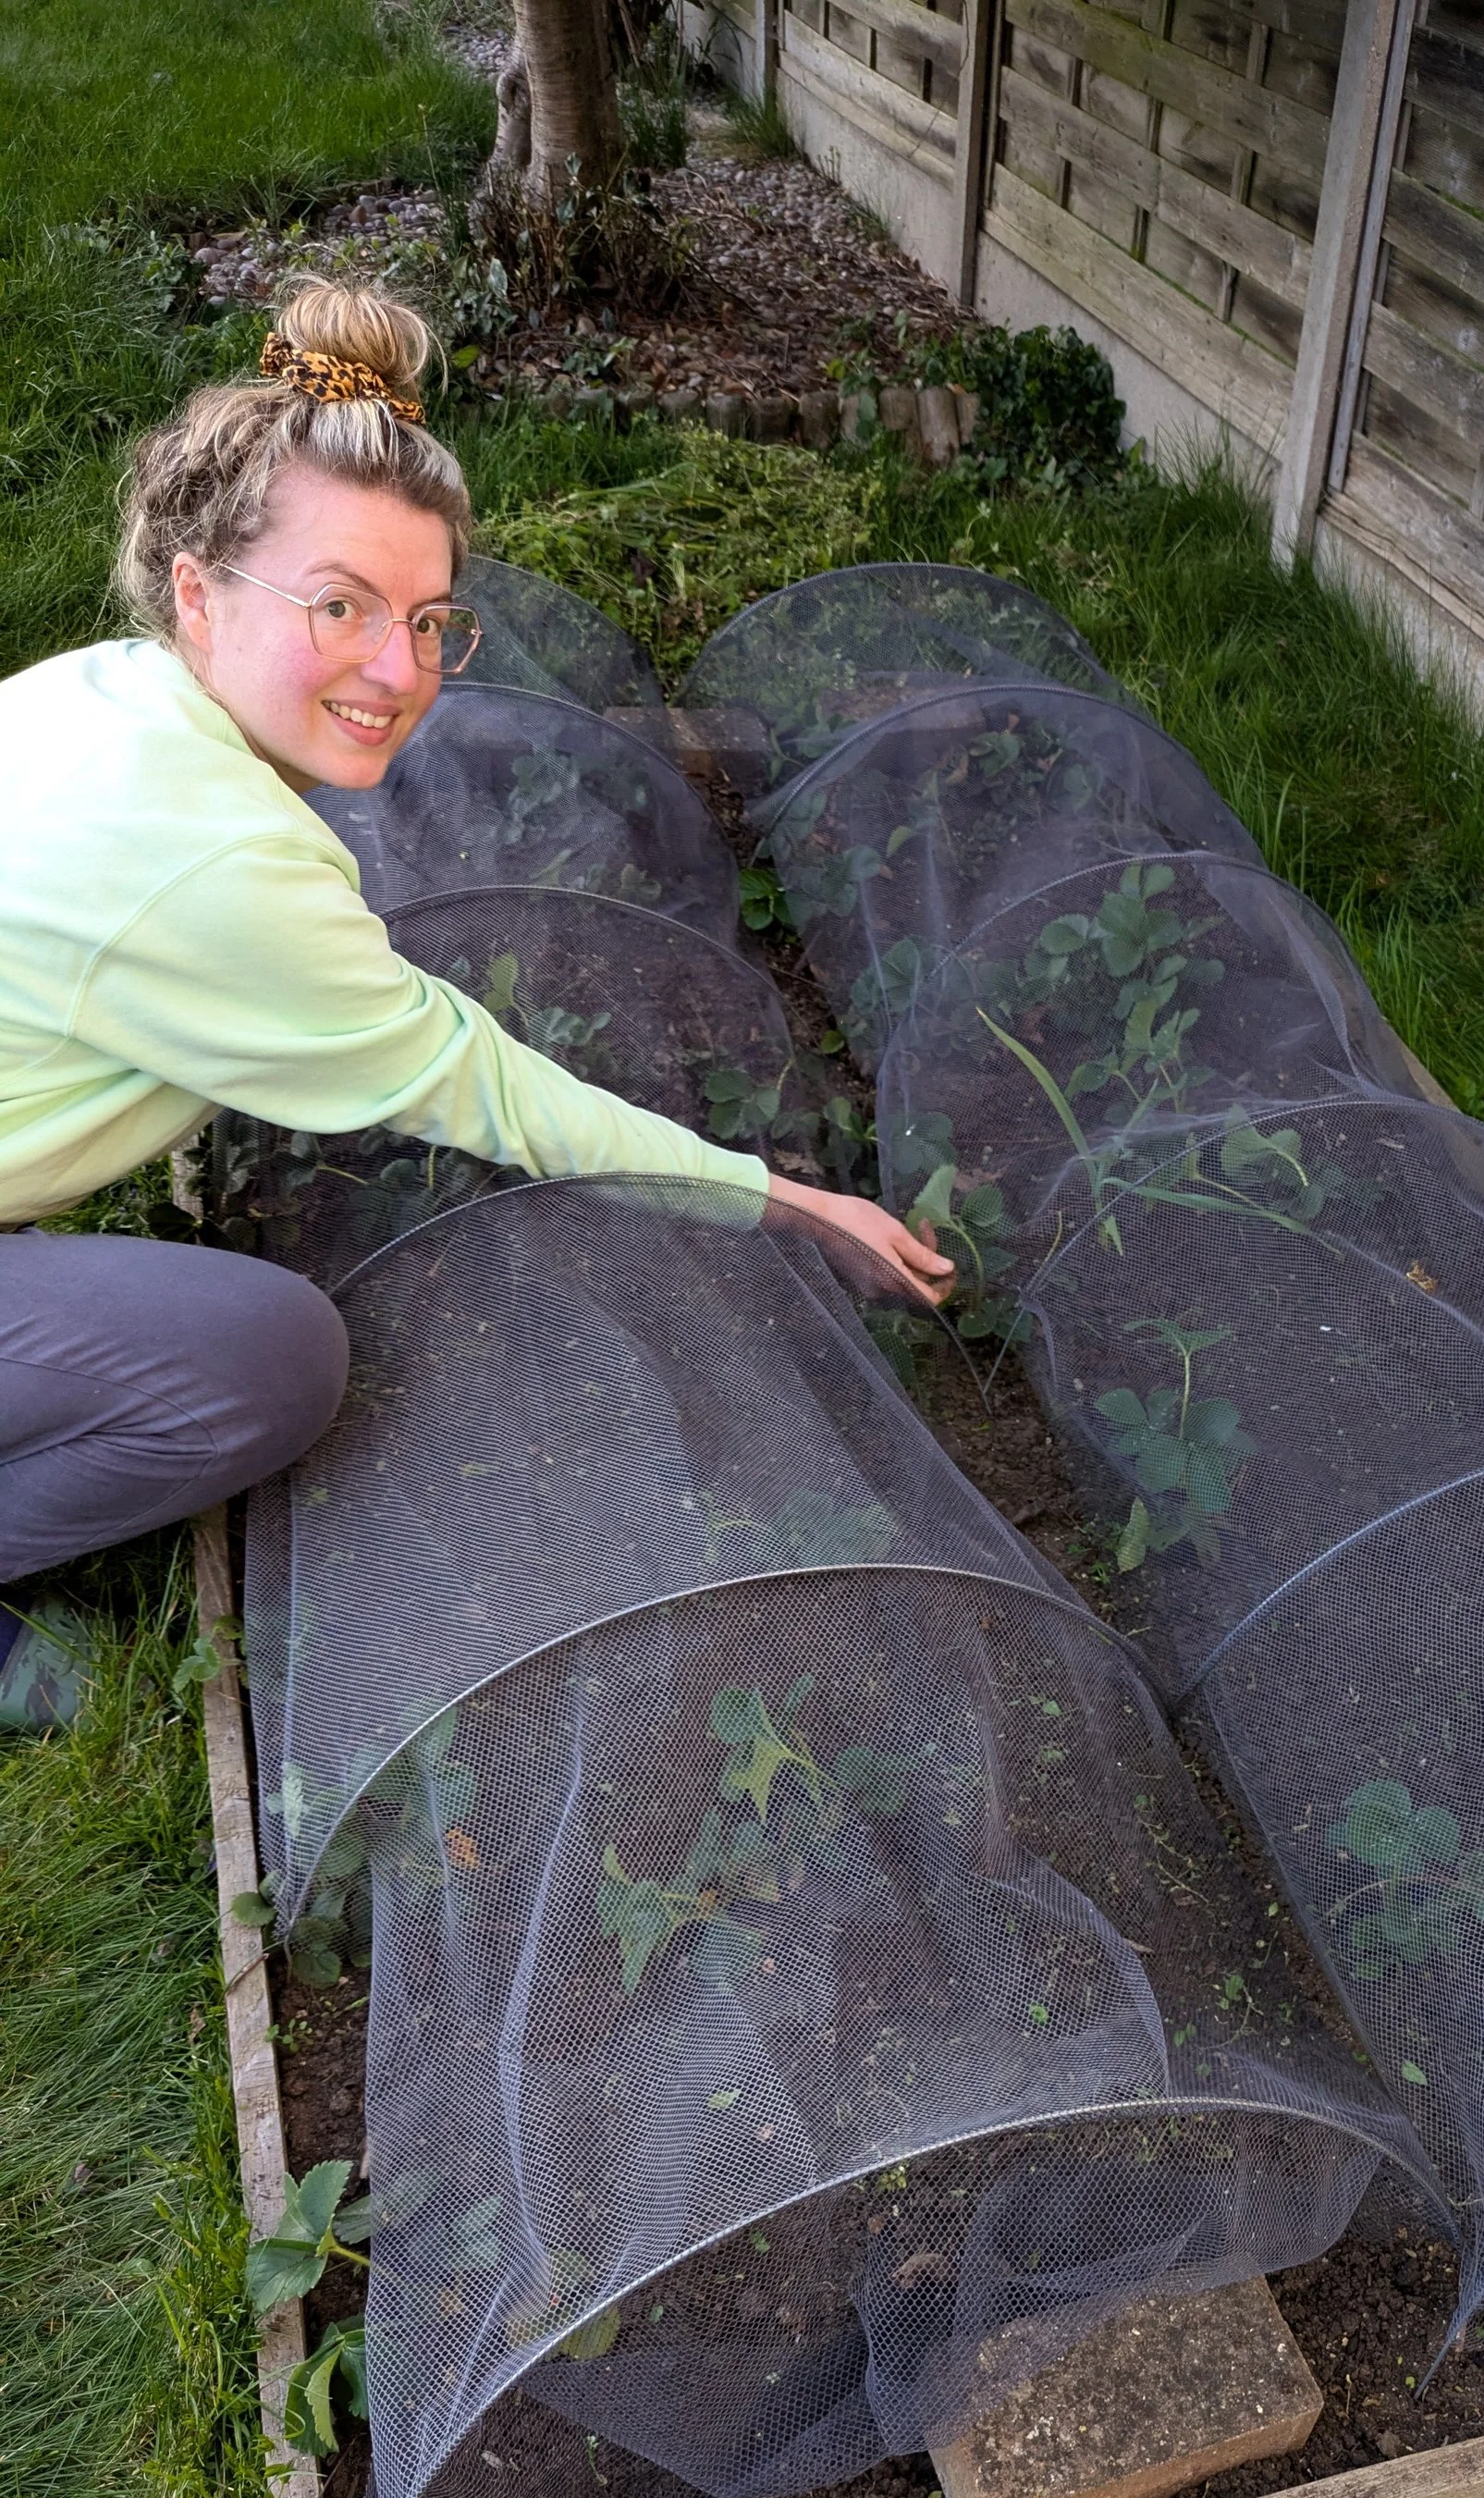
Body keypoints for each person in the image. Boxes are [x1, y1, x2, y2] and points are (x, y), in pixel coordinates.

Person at [0, 278, 950, 1729]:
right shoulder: (213, 860)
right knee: (269, 1359)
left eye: (432, 620)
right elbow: (478, 1085)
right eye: (340, 606)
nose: (400, 670)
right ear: (199, 588)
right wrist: (785, 1199)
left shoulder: (117, 695)